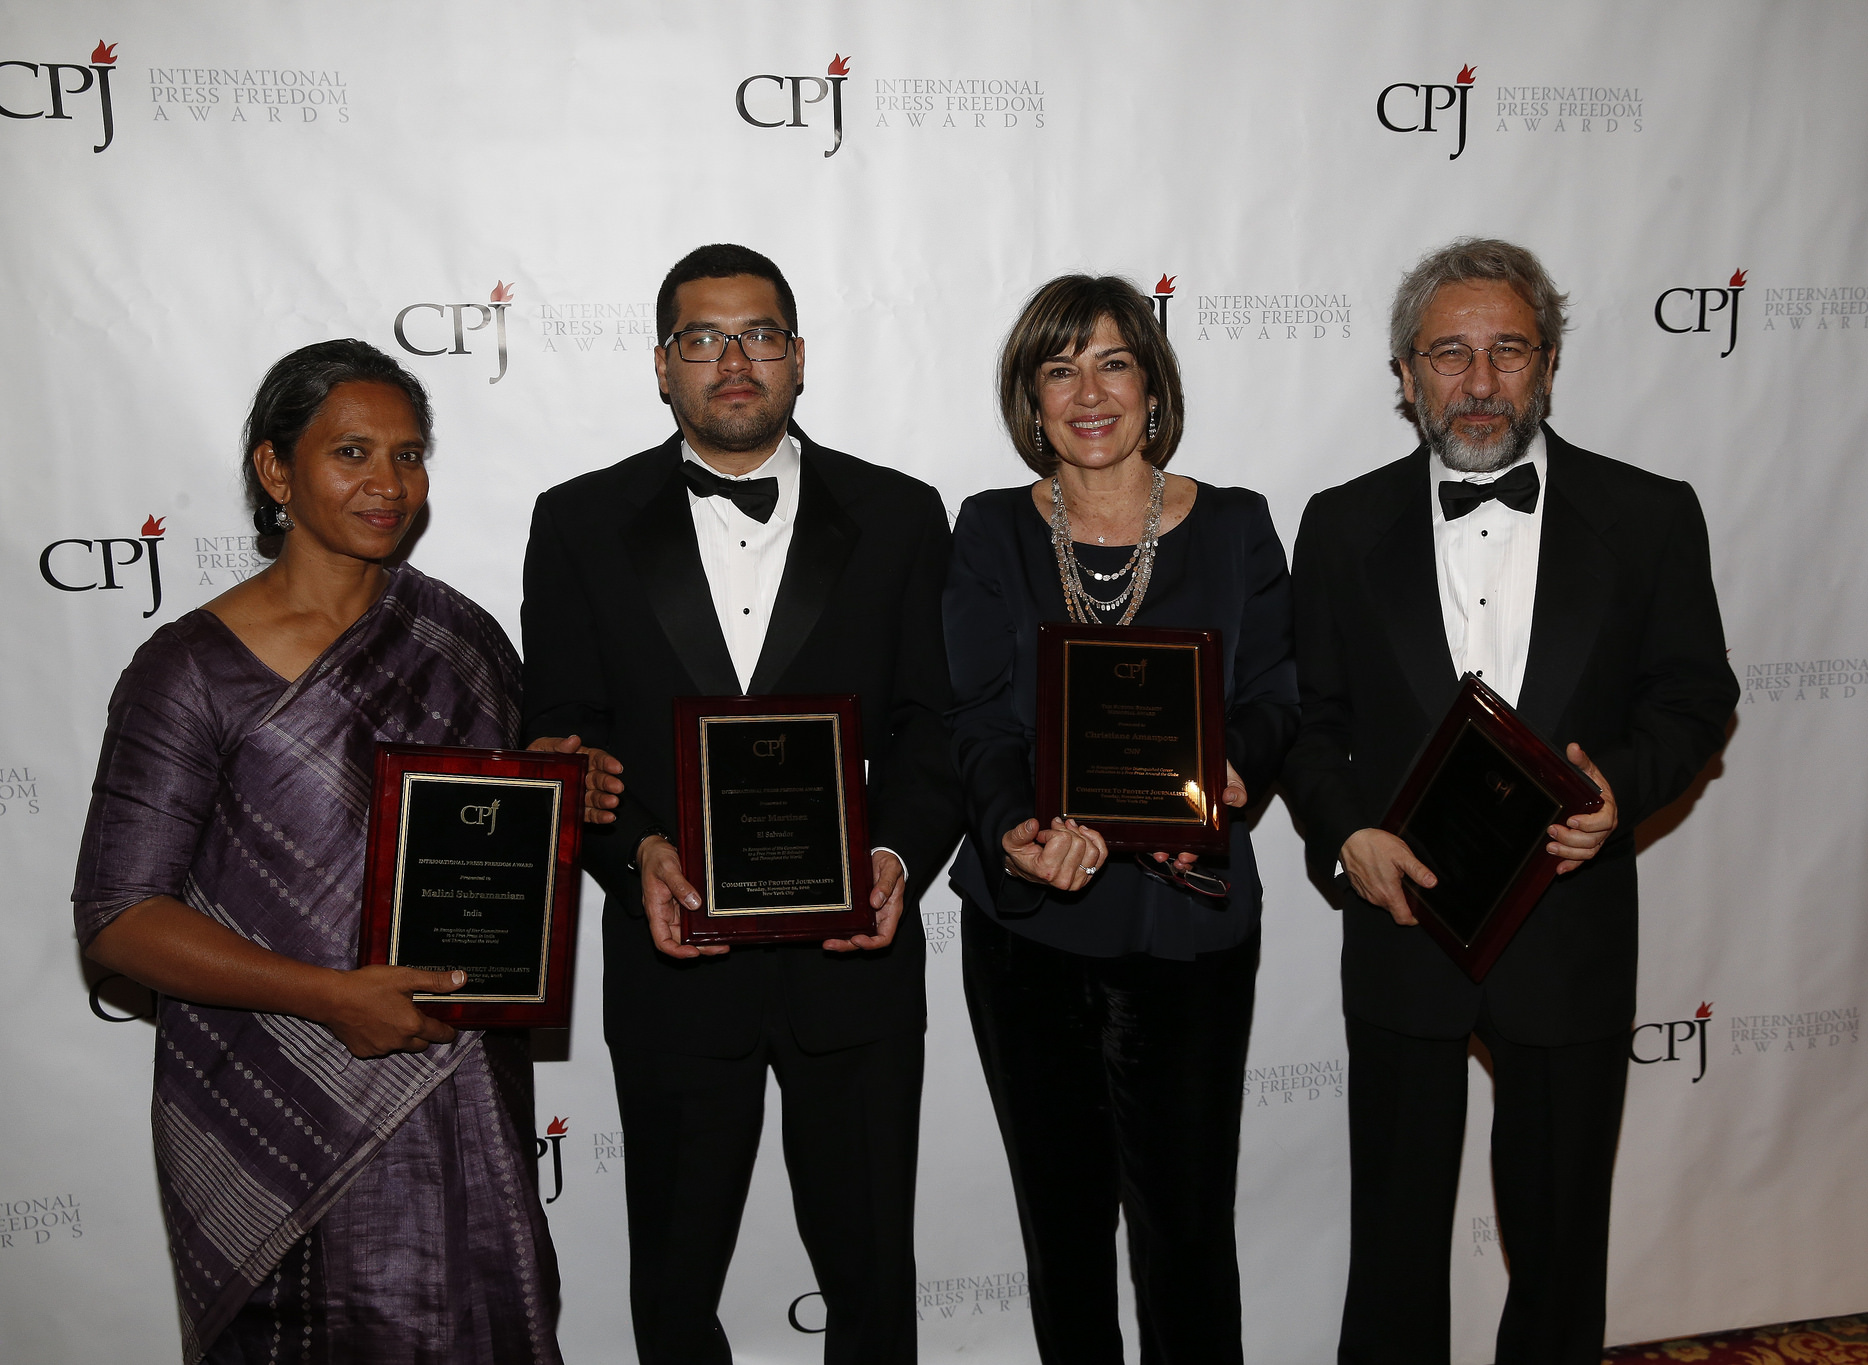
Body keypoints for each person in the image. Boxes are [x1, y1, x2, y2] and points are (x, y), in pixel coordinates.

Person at [72, 339, 618, 1365]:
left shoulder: (458, 637)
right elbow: (119, 916)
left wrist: (556, 794)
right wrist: (333, 997)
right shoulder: (187, 670)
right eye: (352, 452)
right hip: (280, 1102)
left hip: (458, 1084)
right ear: (277, 472)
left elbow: (491, 851)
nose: (387, 483)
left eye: (409, 456)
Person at [1284, 238, 1740, 1364]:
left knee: (1558, 1245)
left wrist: (1617, 792)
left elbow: (1693, 696)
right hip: (1401, 929)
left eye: (1506, 351)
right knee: (1390, 1247)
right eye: (1448, 353)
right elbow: (1303, 719)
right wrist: (1347, 835)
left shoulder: (1649, 516)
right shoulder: (1339, 526)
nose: (1478, 381)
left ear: (1546, 365)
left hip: (1567, 931)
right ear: (1403, 374)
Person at [518, 243, 959, 1364]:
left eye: (757, 334)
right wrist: (636, 853)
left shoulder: (903, 517)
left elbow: (935, 724)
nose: (732, 360)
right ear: (661, 366)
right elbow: (560, 732)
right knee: (669, 1288)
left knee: (872, 1280)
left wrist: (898, 858)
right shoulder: (577, 522)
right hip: (673, 964)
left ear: (798, 357)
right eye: (701, 338)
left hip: (852, 964)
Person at [944, 274, 1298, 1364]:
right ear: (1028, 398)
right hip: (1030, 930)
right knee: (1060, 1229)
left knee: (1187, 1229)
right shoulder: (991, 530)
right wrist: (1013, 826)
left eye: (1111, 362)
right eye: (1058, 369)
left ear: (1151, 384)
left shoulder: (1235, 525)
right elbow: (975, 715)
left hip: (1186, 931)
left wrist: (1237, 768)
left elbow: (1275, 694)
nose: (1086, 392)